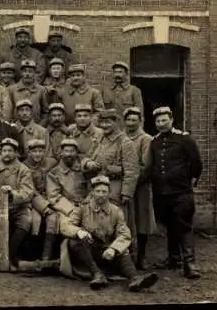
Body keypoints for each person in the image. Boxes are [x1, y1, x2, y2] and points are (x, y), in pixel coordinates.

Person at [60, 175, 159, 292]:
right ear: (92, 192)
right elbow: (66, 226)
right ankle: (97, 275)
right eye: (98, 191)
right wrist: (79, 231)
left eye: (104, 191)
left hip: (108, 252)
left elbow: (124, 234)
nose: (101, 194)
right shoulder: (82, 208)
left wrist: (113, 249)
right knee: (74, 241)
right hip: (89, 253)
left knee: (122, 250)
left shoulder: (116, 211)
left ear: (109, 193)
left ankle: (135, 279)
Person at [144, 106, 202, 279]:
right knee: (169, 224)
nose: (161, 124)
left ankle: (190, 263)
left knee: (183, 225)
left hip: (181, 191)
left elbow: (196, 164)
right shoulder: (154, 142)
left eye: (164, 120)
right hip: (161, 192)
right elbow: (152, 165)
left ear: (171, 120)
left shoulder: (185, 139)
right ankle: (173, 258)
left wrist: (187, 182)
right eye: (158, 121)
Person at [82, 108, 140, 239]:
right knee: (96, 222)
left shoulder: (125, 142)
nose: (104, 126)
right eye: (102, 122)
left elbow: (132, 171)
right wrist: (88, 164)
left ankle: (123, 254)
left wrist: (126, 193)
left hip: (115, 189)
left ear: (116, 122)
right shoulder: (100, 139)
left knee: (118, 224)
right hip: (97, 188)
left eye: (108, 122)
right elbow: (87, 157)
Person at [0, 138, 34, 270]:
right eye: (4, 151)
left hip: (19, 207)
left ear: (15, 153)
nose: (6, 153)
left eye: (10, 151)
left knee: (26, 221)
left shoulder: (23, 169)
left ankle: (9, 256)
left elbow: (28, 192)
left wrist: (12, 192)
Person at [123, 107, 157, 269]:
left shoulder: (145, 139)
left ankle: (141, 257)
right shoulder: (121, 138)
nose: (130, 123)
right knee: (125, 219)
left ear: (140, 121)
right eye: (128, 120)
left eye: (134, 120)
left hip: (141, 185)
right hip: (125, 184)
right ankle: (126, 255)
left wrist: (133, 181)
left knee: (142, 220)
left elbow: (146, 165)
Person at [45, 139, 91, 257]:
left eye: (72, 151)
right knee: (65, 226)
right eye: (66, 151)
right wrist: (71, 209)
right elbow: (54, 196)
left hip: (86, 206)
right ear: (61, 153)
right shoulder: (54, 173)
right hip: (66, 209)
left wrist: (87, 205)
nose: (69, 154)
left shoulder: (84, 169)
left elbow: (92, 188)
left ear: (76, 153)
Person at [22, 139, 58, 259]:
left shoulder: (52, 163)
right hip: (32, 202)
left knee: (53, 219)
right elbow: (29, 190)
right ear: (29, 153)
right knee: (34, 220)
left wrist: (51, 201)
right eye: (34, 151)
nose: (37, 154)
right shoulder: (24, 166)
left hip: (50, 199)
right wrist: (44, 206)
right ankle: (32, 256)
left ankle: (46, 256)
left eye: (40, 151)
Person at [102, 62, 144, 128]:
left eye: (120, 72)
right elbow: (100, 112)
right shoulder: (105, 90)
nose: (117, 75)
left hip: (127, 129)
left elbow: (140, 113)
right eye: (115, 72)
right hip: (110, 128)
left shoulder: (134, 90)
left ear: (126, 74)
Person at [7, 59, 49, 124]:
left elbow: (46, 112)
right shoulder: (12, 89)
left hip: (36, 128)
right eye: (25, 71)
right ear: (21, 73)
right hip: (17, 128)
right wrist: (12, 126)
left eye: (30, 71)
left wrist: (40, 126)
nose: (27, 74)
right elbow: (9, 111)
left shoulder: (41, 89)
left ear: (34, 73)